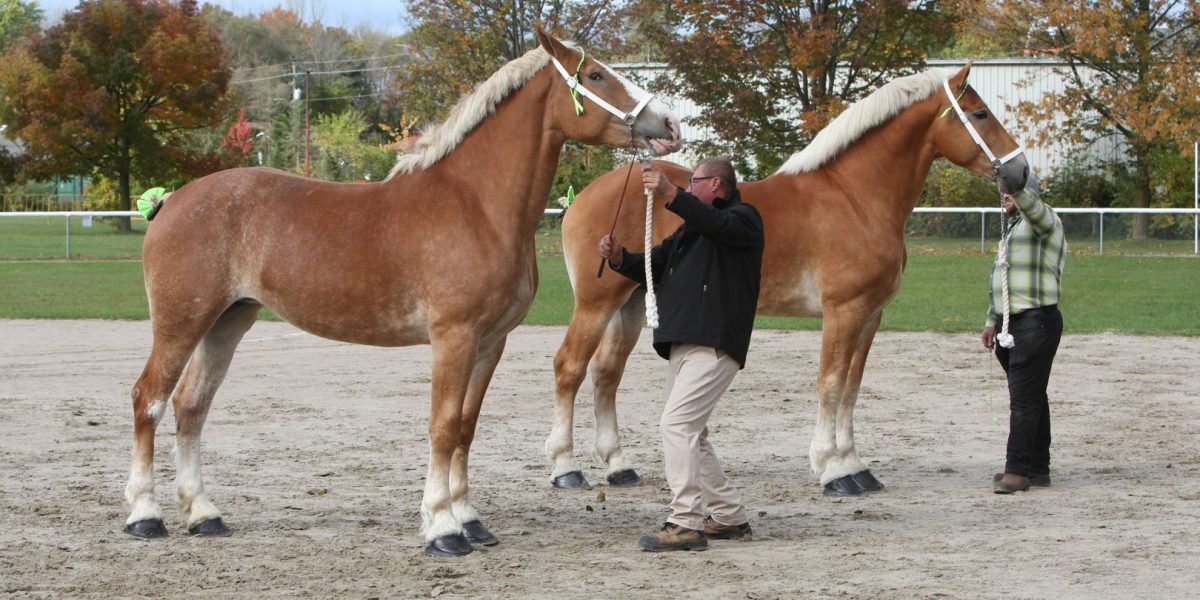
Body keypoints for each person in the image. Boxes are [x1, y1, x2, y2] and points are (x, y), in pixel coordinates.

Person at [597, 157, 764, 551]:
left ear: (717, 185)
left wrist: (671, 194)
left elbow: (719, 226)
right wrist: (620, 258)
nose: (689, 189)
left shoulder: (744, 218)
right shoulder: (692, 229)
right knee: (692, 433)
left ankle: (685, 522)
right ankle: (728, 516)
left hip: (716, 341)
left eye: (695, 183)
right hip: (685, 341)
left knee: (677, 426)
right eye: (686, 185)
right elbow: (655, 265)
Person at [982, 172, 1066, 494]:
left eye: (1010, 193)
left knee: (1024, 402)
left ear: (1028, 197)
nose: (1004, 197)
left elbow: (1033, 207)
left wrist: (1015, 185)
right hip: (1012, 325)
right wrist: (992, 320)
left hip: (1036, 322)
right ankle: (1037, 467)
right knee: (1033, 398)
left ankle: (1017, 471)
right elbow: (1001, 282)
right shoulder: (1013, 230)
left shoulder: (1045, 222)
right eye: (1002, 193)